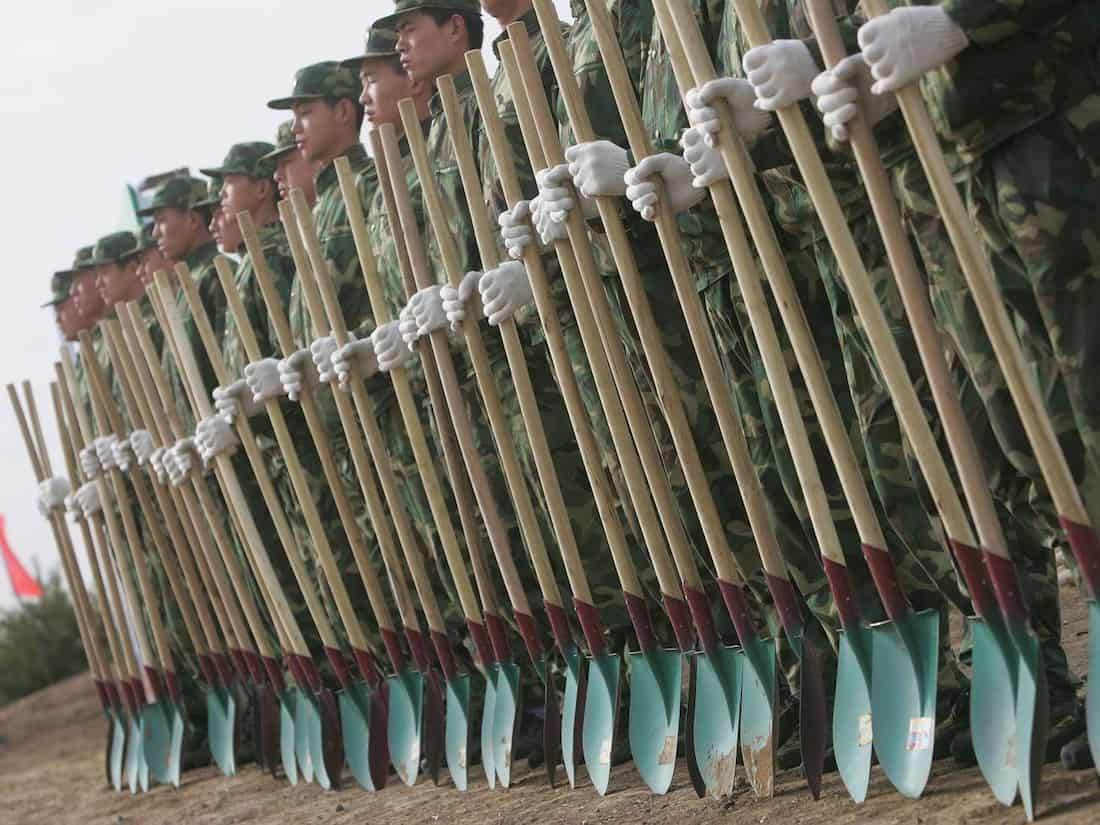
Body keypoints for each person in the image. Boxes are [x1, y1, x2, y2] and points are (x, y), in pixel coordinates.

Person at [813, 0, 1093, 769]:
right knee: (1019, 441)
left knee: (1082, 416)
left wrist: (960, 20)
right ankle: (1054, 680)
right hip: (965, 166)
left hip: (1067, 133)